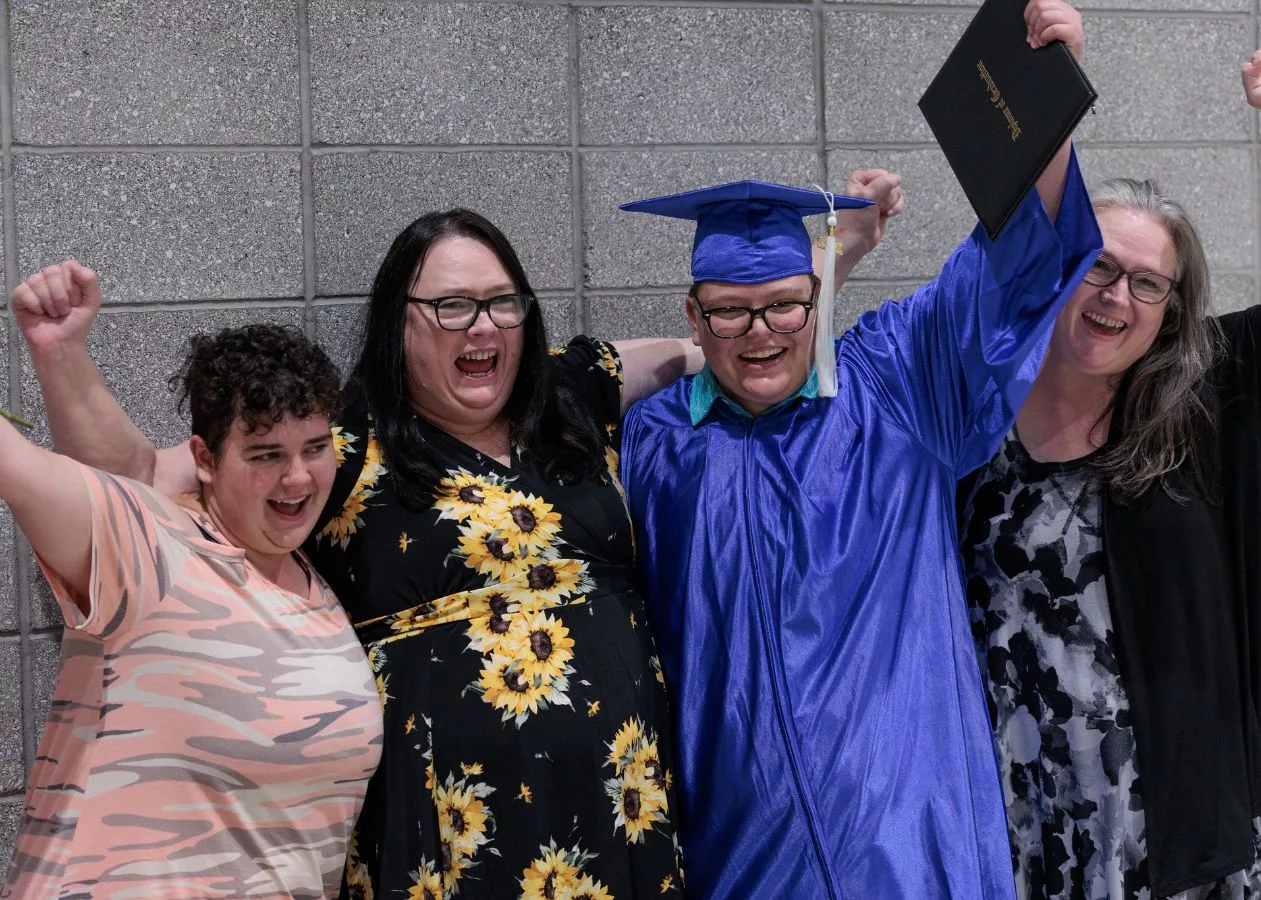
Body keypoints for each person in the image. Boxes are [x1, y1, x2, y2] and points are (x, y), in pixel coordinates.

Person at [17, 174, 897, 898]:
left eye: (501, 304)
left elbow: (728, 338)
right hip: (445, 843)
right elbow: (137, 489)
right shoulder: (343, 442)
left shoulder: (574, 394)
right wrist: (64, 357)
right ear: (398, 326)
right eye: (450, 307)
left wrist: (831, 258)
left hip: (623, 813)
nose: (482, 327)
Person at [618, 2, 1100, 896]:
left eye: (786, 305)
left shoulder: (893, 386)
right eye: (727, 309)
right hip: (742, 859)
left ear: (820, 298)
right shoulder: (654, 443)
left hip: (915, 848)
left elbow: (1012, 271)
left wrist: (1045, 101)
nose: (758, 333)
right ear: (693, 318)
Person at [954, 50, 1261, 900]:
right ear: (1059, 270)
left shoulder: (1211, 400)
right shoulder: (970, 418)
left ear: (1171, 308)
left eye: (1147, 283)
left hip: (1174, 838)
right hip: (1018, 832)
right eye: (1096, 265)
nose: (1116, 296)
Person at [0, 304, 383, 898]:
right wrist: (60, 355)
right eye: (266, 455)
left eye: (314, 448)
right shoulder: (151, 548)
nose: (299, 478)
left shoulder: (314, 582)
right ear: (205, 459)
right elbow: (25, 467)